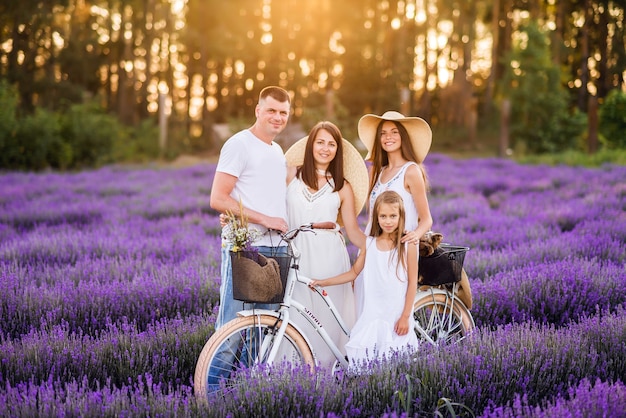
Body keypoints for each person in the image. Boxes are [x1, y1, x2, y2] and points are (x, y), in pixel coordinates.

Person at [283, 121, 368, 368]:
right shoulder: (291, 174)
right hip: (295, 256)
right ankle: (289, 374)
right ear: (311, 145)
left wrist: (379, 246)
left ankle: (325, 375)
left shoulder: (342, 186)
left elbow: (352, 231)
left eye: (331, 144)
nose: (325, 148)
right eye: (320, 142)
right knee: (294, 314)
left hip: (329, 259)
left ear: (337, 151)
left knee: (326, 318)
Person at [210, 85, 292, 329]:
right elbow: (218, 199)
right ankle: (212, 370)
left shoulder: (277, 150)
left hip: (275, 247)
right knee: (232, 327)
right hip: (246, 247)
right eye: (271, 110)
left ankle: (250, 370)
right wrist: (265, 219)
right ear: (258, 110)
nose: (277, 117)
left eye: (283, 113)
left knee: (263, 329)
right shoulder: (239, 144)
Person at [309, 191, 419, 365]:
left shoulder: (407, 245)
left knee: (396, 362)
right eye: (383, 216)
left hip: (396, 313)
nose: (388, 221)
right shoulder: (370, 244)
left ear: (401, 216)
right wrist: (323, 281)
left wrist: (405, 316)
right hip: (372, 313)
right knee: (369, 361)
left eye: (393, 216)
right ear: (376, 217)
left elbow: (413, 282)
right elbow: (353, 273)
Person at [354, 111, 434, 315]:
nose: (388, 137)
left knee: (390, 313)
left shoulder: (411, 171)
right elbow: (372, 216)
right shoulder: (377, 172)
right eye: (383, 133)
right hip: (373, 249)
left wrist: (415, 235)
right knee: (364, 308)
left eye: (394, 132)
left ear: (403, 137)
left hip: (398, 252)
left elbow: (426, 219)